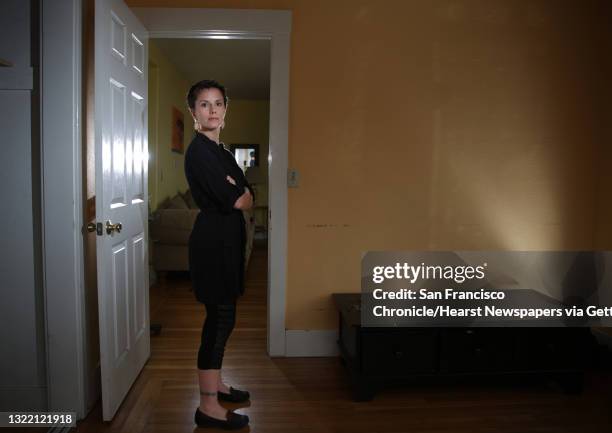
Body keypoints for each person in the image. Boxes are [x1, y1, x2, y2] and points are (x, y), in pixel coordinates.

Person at [184, 79, 254, 430]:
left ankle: (217, 384)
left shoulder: (222, 151)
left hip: (226, 244)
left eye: (217, 103)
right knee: (218, 322)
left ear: (225, 109)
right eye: (204, 104)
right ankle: (207, 406)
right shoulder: (199, 152)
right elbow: (238, 199)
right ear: (194, 112)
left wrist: (239, 189)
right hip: (212, 246)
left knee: (225, 320)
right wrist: (237, 190)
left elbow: (248, 192)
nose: (212, 110)